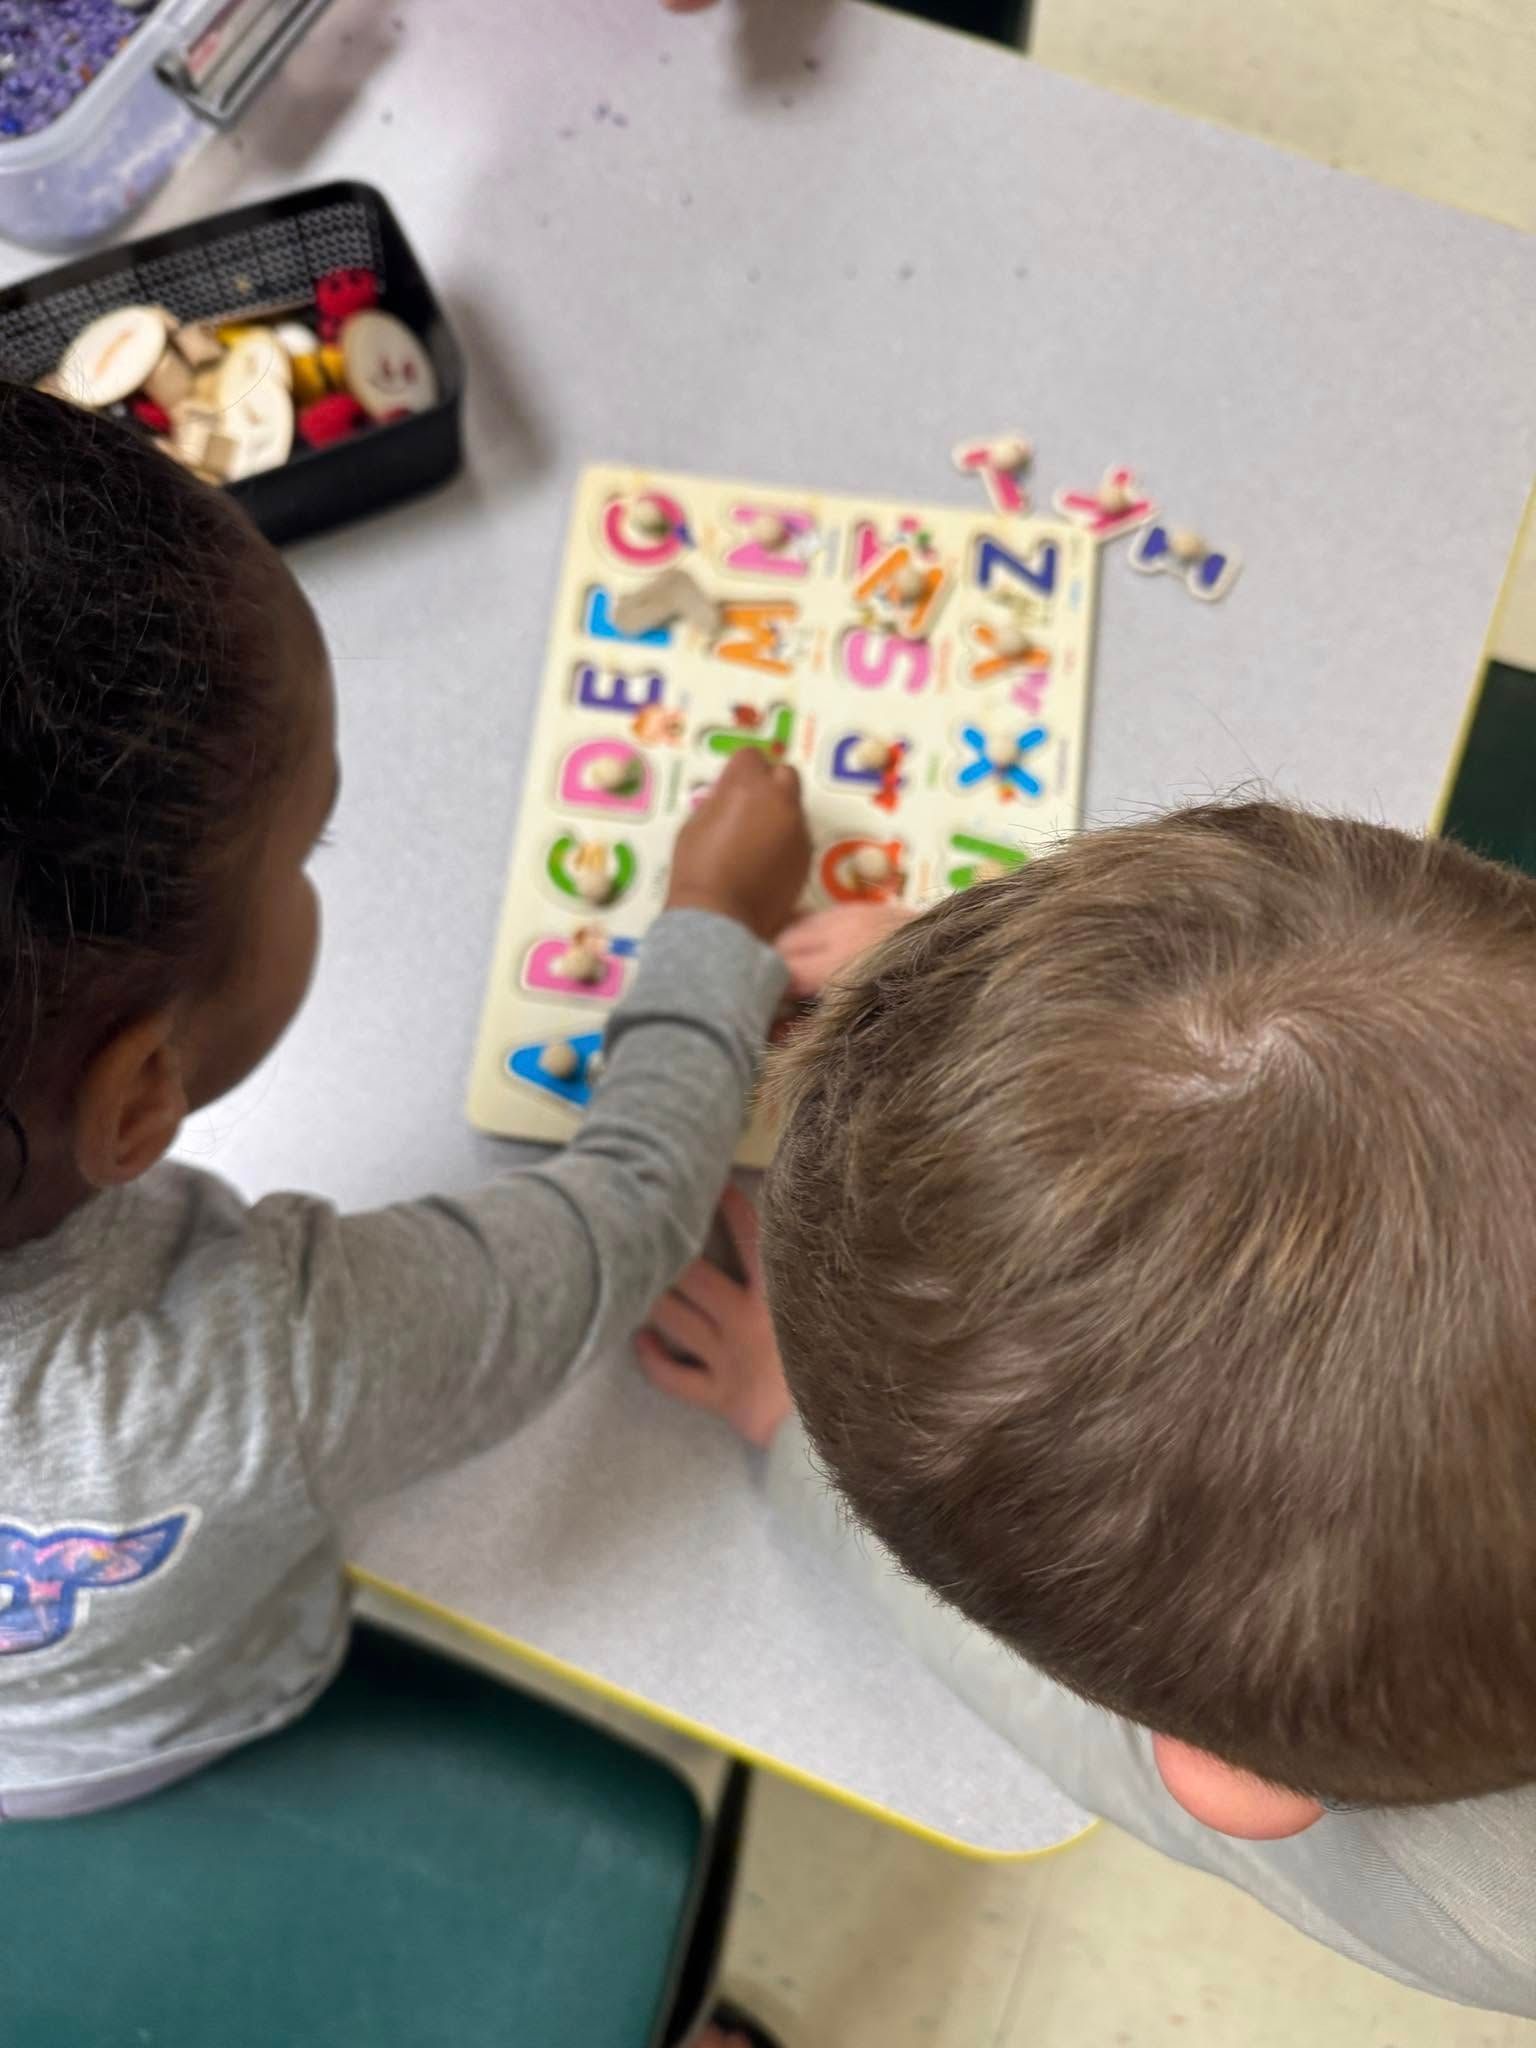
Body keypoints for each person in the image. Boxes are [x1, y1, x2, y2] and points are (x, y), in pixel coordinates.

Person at [0, 380, 810, 1821]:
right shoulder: (249, 1362)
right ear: (135, 1092)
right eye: (311, 844)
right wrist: (714, 932)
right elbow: (623, 1215)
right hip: (136, 1732)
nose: (313, 865)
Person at [640, 808, 1536, 2020]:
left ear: (1237, 1777)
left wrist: (787, 1422)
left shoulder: (1475, 1898)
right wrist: (1021, 1050)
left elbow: (1103, 1741)